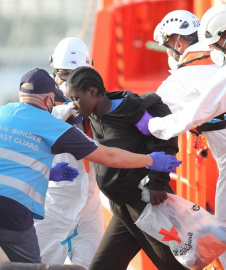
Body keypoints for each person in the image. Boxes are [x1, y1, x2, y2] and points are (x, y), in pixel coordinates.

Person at [0, 68, 181, 264]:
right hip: (17, 210)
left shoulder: (3, 112)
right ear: (46, 99)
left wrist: (48, 173)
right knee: (33, 266)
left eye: (75, 99)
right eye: (62, 99)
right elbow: (107, 155)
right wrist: (152, 160)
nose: (72, 105)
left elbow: (16, 156)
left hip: (136, 204)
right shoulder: (63, 123)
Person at [136, 7, 226, 270]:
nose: (169, 53)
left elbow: (159, 112)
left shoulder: (181, 79)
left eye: (168, 46)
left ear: (178, 43)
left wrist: (152, 125)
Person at [65, 66, 186, 270]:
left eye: (76, 98)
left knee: (173, 266)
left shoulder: (131, 111)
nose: (73, 105)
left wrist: (158, 182)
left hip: (146, 203)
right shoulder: (93, 114)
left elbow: (164, 140)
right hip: (122, 208)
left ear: (93, 92)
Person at [34, 37, 104, 269]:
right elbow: (45, 122)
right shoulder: (44, 104)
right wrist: (74, 107)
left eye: (77, 74)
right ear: (54, 73)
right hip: (53, 202)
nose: (71, 82)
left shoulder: (97, 103)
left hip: (89, 202)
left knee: (91, 263)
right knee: (36, 262)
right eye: (65, 74)